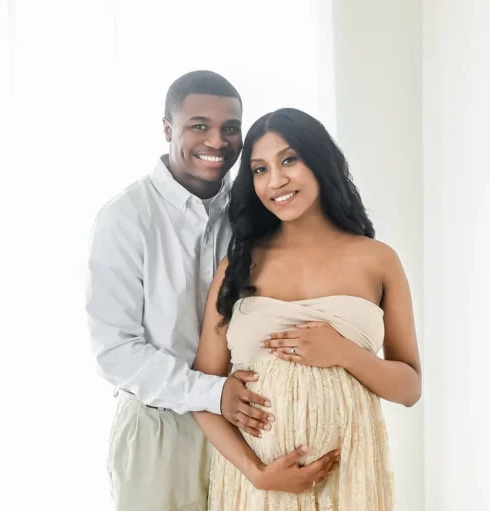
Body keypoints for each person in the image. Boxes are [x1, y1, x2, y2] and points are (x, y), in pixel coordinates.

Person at [86, 73, 338, 511]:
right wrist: (212, 393)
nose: (217, 141)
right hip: (160, 430)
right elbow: (115, 352)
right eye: (199, 125)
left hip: (248, 426)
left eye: (230, 128)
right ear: (168, 129)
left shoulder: (250, 211)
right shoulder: (125, 219)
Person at [191, 108, 422, 510]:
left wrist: (345, 353)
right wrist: (256, 473)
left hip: (348, 481)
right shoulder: (238, 264)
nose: (275, 181)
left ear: (319, 161)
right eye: (260, 170)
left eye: (289, 160)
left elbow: (409, 389)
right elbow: (201, 392)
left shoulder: (378, 260)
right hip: (255, 488)